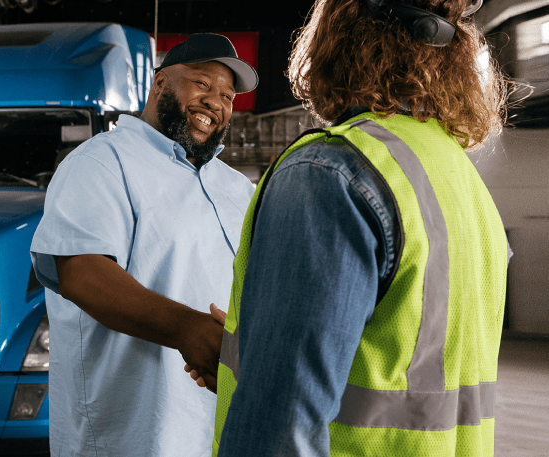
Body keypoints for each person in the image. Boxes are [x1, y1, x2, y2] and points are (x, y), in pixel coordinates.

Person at [194, 1, 512, 456]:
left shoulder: (330, 172)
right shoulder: (461, 181)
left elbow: (281, 432)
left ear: (341, 32)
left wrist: (268, 385)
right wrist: (258, 354)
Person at [30, 33, 258, 457]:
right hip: (131, 434)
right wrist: (188, 329)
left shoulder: (236, 188)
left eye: (227, 95)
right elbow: (81, 272)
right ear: (159, 84)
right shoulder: (101, 162)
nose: (216, 102)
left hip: (217, 429)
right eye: (203, 84)